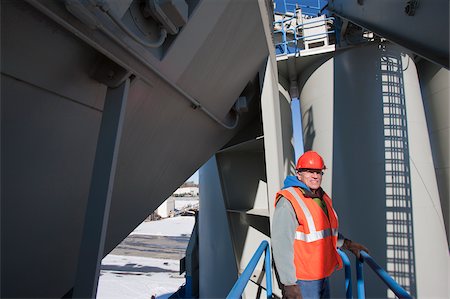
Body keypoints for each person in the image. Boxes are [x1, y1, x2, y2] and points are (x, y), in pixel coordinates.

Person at [272, 151, 368, 299]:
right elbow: (281, 244)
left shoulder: (321, 197)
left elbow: (326, 232)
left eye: (319, 172)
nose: (315, 176)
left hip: (322, 274)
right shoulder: (289, 201)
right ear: (299, 174)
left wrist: (347, 244)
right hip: (303, 280)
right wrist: (289, 284)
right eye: (310, 171)